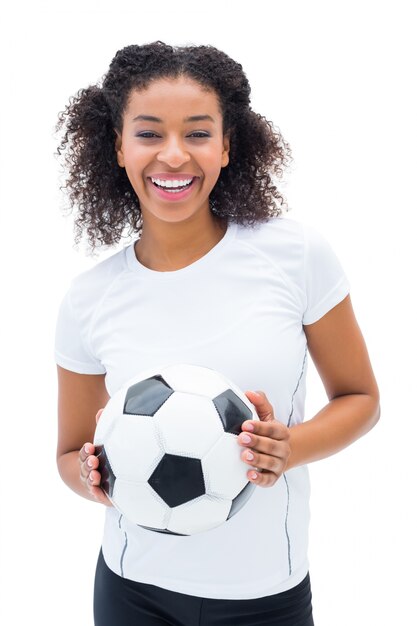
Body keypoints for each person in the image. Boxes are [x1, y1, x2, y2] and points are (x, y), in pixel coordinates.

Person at [54, 41, 380, 626]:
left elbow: (362, 399)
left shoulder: (294, 255)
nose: (173, 155)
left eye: (198, 133)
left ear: (228, 146)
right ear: (118, 148)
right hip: (133, 590)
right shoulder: (89, 297)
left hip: (265, 594)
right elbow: (68, 452)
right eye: (149, 134)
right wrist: (90, 477)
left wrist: (288, 449)